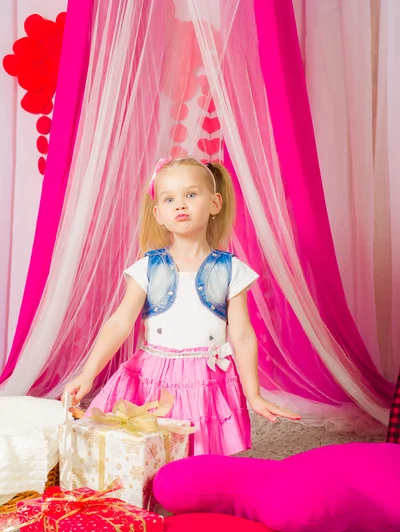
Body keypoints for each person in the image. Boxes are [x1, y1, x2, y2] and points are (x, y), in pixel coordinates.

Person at [63, 156, 301, 455]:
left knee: (201, 453)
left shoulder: (231, 269)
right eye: (169, 198)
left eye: (191, 195)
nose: (180, 205)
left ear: (215, 204)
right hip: (154, 374)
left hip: (205, 377)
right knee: (149, 451)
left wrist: (253, 395)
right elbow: (119, 323)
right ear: (158, 214)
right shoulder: (147, 268)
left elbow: (241, 334)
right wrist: (88, 373)